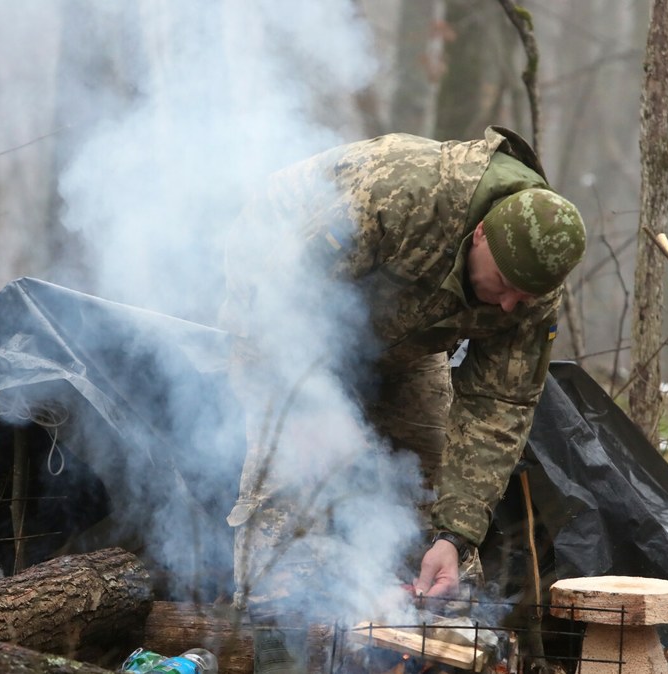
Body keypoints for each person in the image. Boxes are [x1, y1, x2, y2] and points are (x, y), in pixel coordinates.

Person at [220, 126, 586, 672]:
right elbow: (283, 296)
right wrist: (311, 408)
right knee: (292, 479)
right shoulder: (403, 192)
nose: (510, 306)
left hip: (403, 341)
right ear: (481, 233)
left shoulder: (531, 287)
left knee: (430, 501)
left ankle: (441, 649)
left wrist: (455, 533)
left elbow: (498, 408)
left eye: (524, 297)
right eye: (505, 284)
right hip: (283, 302)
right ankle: (278, 645)